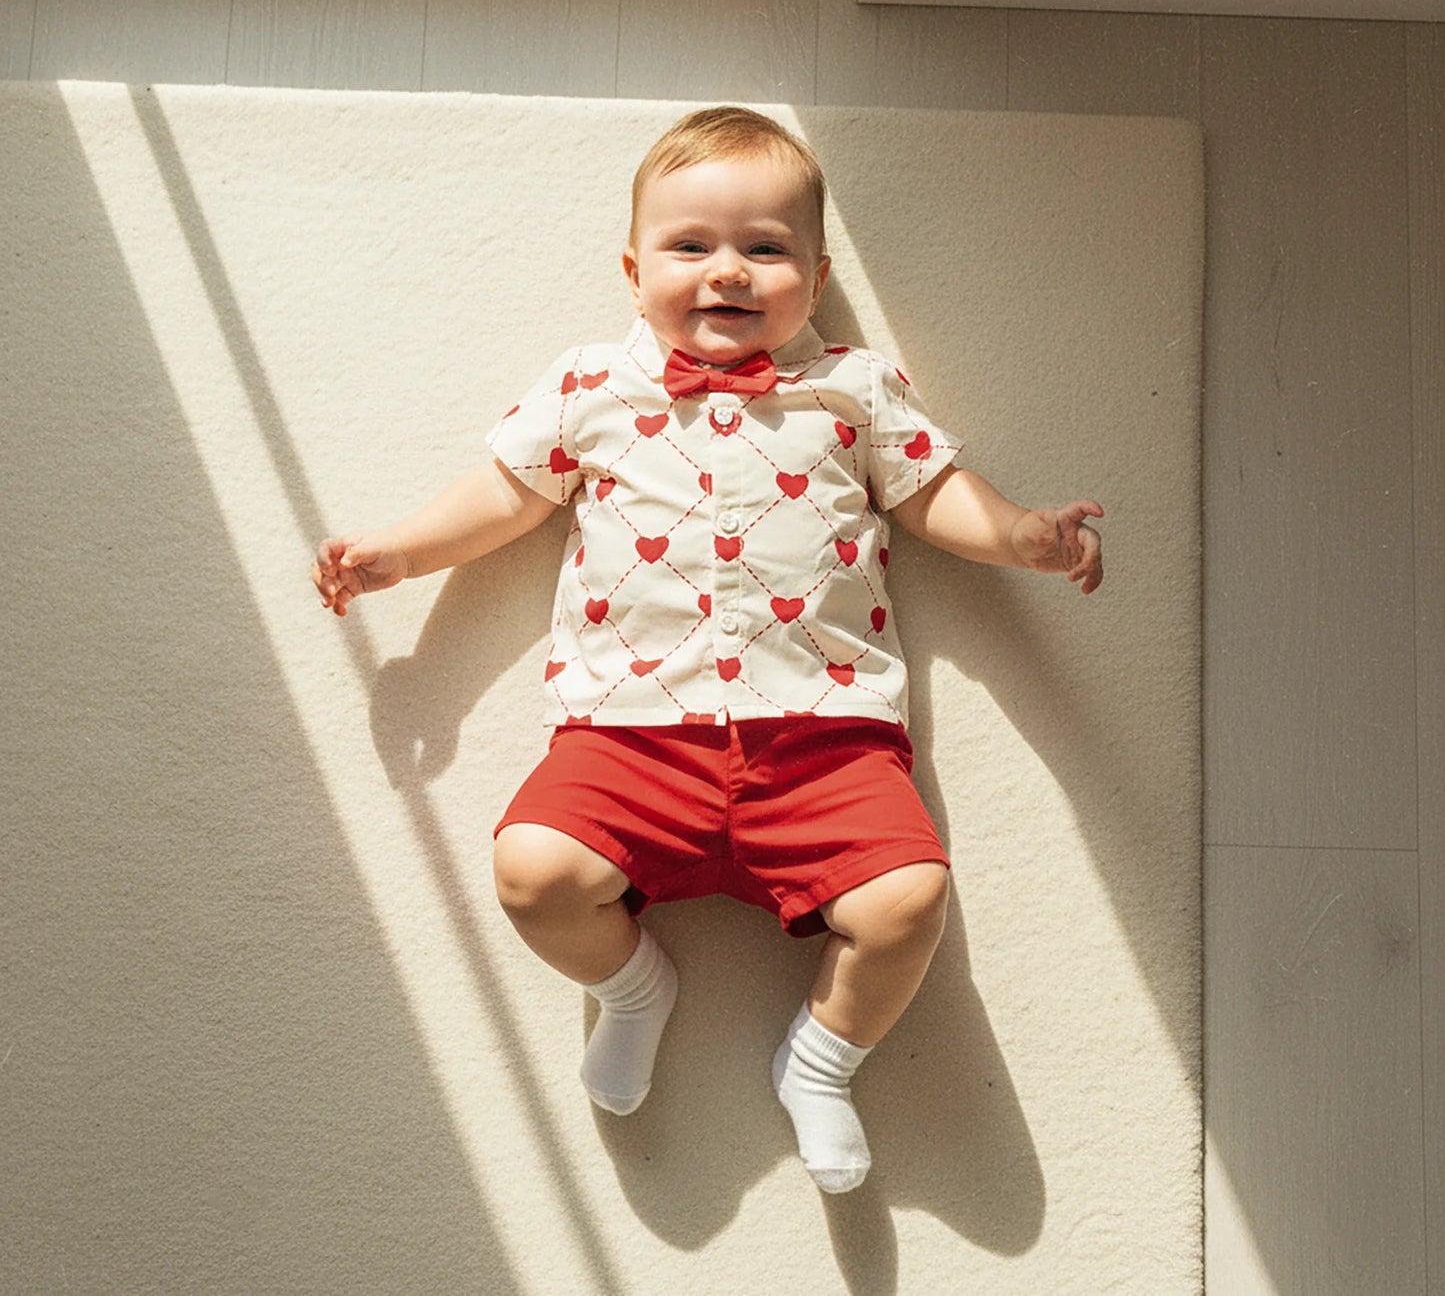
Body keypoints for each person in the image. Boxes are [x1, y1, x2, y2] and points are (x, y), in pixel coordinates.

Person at [312, 106, 1103, 1195]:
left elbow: (932, 495)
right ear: (634, 272)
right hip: (625, 731)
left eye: (764, 249)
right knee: (531, 869)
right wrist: (399, 551)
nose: (727, 272)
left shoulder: (853, 388)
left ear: (816, 275)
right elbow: (502, 490)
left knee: (907, 901)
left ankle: (819, 1060)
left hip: (824, 737)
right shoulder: (593, 386)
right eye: (690, 247)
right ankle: (635, 986)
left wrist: (1021, 535)